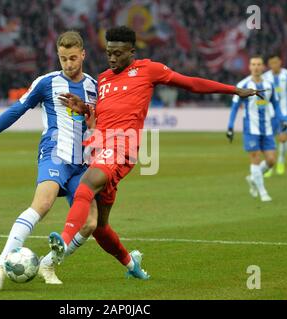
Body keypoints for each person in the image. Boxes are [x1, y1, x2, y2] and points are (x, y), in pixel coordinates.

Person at [47, 26, 264, 280]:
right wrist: (84, 108)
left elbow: (191, 83)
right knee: (101, 227)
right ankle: (132, 266)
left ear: (132, 51)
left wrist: (233, 90)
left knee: (86, 184)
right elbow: (101, 114)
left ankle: (62, 240)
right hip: (97, 147)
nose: (113, 58)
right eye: (109, 53)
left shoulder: (149, 70)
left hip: (122, 147)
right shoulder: (104, 78)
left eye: (118, 53)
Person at [0, 31, 99, 289]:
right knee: (43, 203)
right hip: (55, 154)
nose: (68, 64)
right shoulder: (46, 83)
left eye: (72, 58)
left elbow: (99, 122)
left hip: (83, 162)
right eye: (62, 59)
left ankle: (48, 263)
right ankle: (0, 264)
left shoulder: (95, 86)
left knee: (90, 223)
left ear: (83, 54)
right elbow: (17, 110)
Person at [226, 55, 287, 202]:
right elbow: (234, 107)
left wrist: (282, 119)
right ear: (249, 67)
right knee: (255, 158)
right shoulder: (243, 84)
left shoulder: (269, 84)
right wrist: (230, 126)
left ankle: (253, 177)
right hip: (250, 129)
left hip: (267, 128)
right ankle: (263, 192)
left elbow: (276, 104)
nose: (256, 67)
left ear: (263, 67)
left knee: (271, 160)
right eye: (253, 64)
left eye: (259, 64)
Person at [262, 54, 287, 176]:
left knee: (283, 139)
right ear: (269, 65)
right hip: (269, 114)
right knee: (269, 140)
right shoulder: (265, 77)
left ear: (280, 62)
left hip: (284, 113)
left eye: (276, 62)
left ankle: (281, 160)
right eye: (272, 63)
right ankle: (270, 165)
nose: (274, 65)